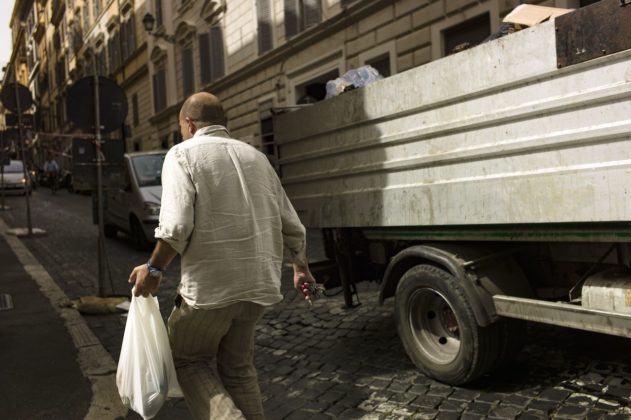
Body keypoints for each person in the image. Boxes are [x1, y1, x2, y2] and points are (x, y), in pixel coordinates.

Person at [128, 92, 316, 420]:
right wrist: (300, 267)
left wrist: (153, 268)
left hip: (211, 292)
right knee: (239, 369)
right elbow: (292, 225)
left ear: (188, 124)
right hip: (258, 287)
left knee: (188, 360)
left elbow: (176, 226)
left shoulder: (181, 155)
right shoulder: (258, 158)